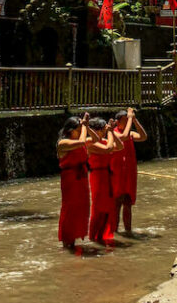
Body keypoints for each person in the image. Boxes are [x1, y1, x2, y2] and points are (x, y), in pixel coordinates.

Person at [57, 114, 91, 252]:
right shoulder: (63, 143)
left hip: (81, 178)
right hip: (70, 179)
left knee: (82, 209)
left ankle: (73, 242)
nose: (80, 132)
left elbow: (88, 141)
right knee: (70, 209)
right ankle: (67, 242)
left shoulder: (78, 141)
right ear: (71, 130)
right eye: (78, 129)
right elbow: (83, 142)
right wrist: (84, 126)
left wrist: (86, 126)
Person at [110, 107, 147, 236]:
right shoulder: (113, 133)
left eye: (128, 120)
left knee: (128, 202)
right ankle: (114, 231)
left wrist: (135, 120)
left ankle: (128, 231)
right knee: (116, 203)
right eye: (125, 120)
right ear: (118, 121)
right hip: (117, 172)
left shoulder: (130, 133)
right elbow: (124, 137)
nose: (127, 123)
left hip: (129, 172)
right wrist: (130, 118)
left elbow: (143, 136)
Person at [87, 116, 121, 245]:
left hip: (107, 175)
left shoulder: (105, 141)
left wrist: (111, 132)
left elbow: (120, 146)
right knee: (97, 208)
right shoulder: (90, 142)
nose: (103, 132)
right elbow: (108, 149)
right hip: (97, 176)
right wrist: (111, 132)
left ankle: (101, 236)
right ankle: (93, 237)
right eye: (102, 130)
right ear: (95, 130)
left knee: (107, 208)